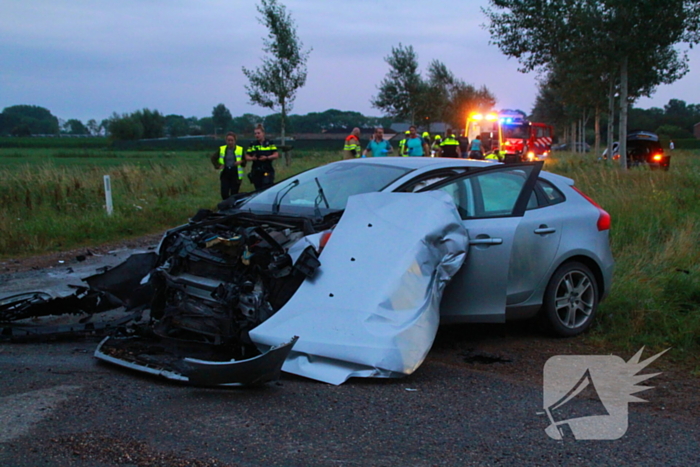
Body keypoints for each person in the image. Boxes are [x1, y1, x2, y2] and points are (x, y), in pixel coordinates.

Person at [212, 132, 245, 200]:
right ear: (226, 141)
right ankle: (226, 205)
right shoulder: (222, 149)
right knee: (224, 193)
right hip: (225, 172)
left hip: (236, 173)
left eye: (232, 140)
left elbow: (245, 159)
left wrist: (241, 162)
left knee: (234, 193)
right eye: (228, 140)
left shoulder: (240, 149)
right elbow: (213, 158)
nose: (230, 142)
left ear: (235, 141)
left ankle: (233, 207)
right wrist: (218, 166)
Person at [245, 124, 279, 191]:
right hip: (256, 170)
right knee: (258, 189)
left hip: (267, 169)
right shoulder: (253, 144)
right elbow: (246, 156)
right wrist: (252, 158)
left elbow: (276, 155)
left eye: (258, 133)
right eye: (255, 134)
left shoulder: (270, 143)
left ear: (263, 133)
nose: (257, 135)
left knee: (267, 186)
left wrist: (267, 157)